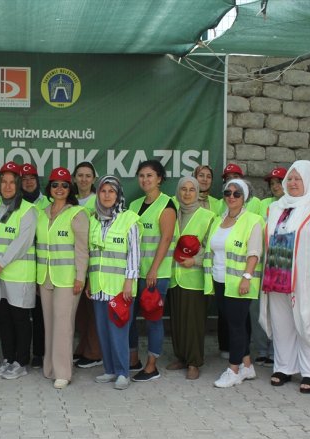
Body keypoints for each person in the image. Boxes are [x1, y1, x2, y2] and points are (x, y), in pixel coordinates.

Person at [260, 160, 310, 394]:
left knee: (308, 324)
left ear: (309, 180)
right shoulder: (276, 207)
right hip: (277, 275)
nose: (293, 183)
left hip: (308, 278)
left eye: (298, 179)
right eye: (291, 179)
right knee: (282, 323)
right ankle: (284, 367)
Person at [204, 179, 263, 389]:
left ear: (244, 197)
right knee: (233, 324)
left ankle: (234, 369)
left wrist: (246, 278)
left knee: (236, 327)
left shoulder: (253, 220)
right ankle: (247, 365)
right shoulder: (219, 220)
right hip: (220, 281)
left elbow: (254, 253)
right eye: (227, 192)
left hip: (239, 283)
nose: (231, 196)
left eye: (236, 194)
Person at [0, 162, 38, 380]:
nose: (7, 186)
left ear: (18, 184)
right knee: (4, 319)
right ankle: (8, 359)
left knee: (20, 320)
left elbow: (22, 243)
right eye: (4, 182)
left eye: (12, 182)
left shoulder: (28, 210)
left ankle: (20, 361)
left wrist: (1, 263)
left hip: (18, 275)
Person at [36, 167, 89, 389]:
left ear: (70, 189)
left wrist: (80, 277)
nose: (59, 189)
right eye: (55, 184)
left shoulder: (76, 213)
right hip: (45, 278)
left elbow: (82, 249)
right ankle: (50, 367)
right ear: (49, 188)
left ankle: (63, 372)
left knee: (63, 325)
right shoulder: (43, 212)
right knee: (49, 323)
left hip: (68, 280)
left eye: (64, 185)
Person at [88, 175, 140, 390]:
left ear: (118, 195)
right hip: (98, 285)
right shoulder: (92, 219)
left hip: (120, 288)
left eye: (111, 191)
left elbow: (134, 255)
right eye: (103, 191)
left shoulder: (130, 219)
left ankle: (122, 373)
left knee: (118, 331)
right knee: (103, 330)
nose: (107, 195)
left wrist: (129, 282)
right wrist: (89, 282)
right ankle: (109, 370)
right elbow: (90, 254)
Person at [127, 160, 176, 382]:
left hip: (155, 275)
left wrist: (153, 270)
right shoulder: (134, 205)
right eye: (141, 175)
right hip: (134, 273)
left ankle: (152, 366)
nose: (145, 180)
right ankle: (133, 359)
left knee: (153, 320)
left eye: (149, 175)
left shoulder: (167, 204)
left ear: (159, 179)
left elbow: (165, 239)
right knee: (128, 318)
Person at [167, 176, 216, 380]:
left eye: (191, 190)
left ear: (198, 192)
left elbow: (213, 248)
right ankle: (181, 356)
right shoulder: (172, 213)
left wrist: (194, 261)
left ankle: (194, 362)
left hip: (194, 278)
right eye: (183, 189)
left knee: (194, 322)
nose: (187, 194)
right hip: (173, 275)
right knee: (177, 320)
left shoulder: (208, 216)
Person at [250, 166, 287, 368]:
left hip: (282, 266)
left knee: (278, 310)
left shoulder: (294, 205)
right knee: (258, 309)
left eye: (279, 182)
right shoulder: (264, 205)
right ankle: (262, 349)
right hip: (262, 265)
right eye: (272, 183)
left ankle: (276, 350)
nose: (275, 186)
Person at [71, 161, 102, 369]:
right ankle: (83, 347)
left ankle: (95, 352)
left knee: (92, 309)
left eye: (88, 176)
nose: (83, 179)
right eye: (80, 175)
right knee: (80, 310)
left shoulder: (97, 201)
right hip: (71, 263)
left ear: (94, 179)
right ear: (74, 178)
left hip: (93, 262)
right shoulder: (70, 201)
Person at [21, 163, 48, 368]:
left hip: (42, 266)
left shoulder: (48, 204)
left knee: (40, 314)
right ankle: (21, 354)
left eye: (32, 178)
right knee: (21, 315)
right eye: (24, 179)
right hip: (21, 268)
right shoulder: (15, 203)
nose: (28, 182)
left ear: (38, 181)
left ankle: (39, 353)